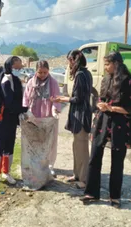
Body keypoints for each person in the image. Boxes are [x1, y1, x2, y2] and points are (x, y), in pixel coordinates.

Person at [80, 51, 131, 208]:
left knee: (117, 161)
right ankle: (91, 192)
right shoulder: (105, 79)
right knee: (94, 156)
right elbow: (101, 99)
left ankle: (115, 196)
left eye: (107, 64)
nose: (105, 67)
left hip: (120, 124)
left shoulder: (130, 82)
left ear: (116, 63)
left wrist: (113, 108)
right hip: (102, 121)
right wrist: (100, 105)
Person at [52, 50, 92, 189]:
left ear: (74, 60)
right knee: (76, 147)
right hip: (80, 115)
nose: (68, 63)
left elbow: (79, 99)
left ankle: (84, 179)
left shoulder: (81, 75)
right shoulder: (85, 73)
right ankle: (77, 175)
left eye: (69, 60)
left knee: (82, 148)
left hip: (81, 116)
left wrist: (62, 99)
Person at [20, 60, 61, 190]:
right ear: (36, 71)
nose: (42, 75)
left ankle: (49, 166)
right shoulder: (31, 82)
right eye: (40, 72)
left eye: (45, 72)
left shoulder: (53, 83)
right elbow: (26, 98)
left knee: (49, 143)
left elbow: (56, 98)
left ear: (48, 71)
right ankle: (34, 167)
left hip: (48, 117)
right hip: (34, 117)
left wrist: (55, 110)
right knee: (35, 142)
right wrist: (25, 110)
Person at [0, 56, 27, 189]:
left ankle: (6, 172)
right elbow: (9, 102)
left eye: (20, 67)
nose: (19, 69)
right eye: (17, 67)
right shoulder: (6, 80)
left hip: (12, 119)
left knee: (9, 146)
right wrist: (23, 109)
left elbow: (20, 98)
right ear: (11, 66)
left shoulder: (15, 80)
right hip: (3, 119)